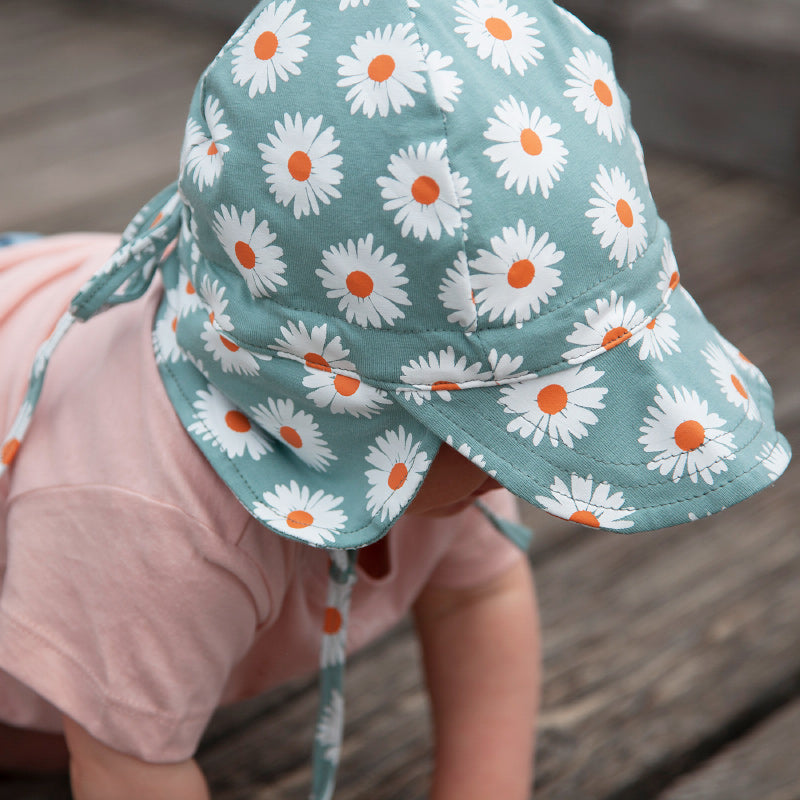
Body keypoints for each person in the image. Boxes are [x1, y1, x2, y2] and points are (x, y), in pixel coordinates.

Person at [0, 1, 790, 798]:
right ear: (341, 410)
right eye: (505, 419)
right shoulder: (148, 523)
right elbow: (124, 765)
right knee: (80, 714)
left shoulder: (449, 455)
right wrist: (112, 717)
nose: (532, 460)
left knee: (122, 689)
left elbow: (480, 593)